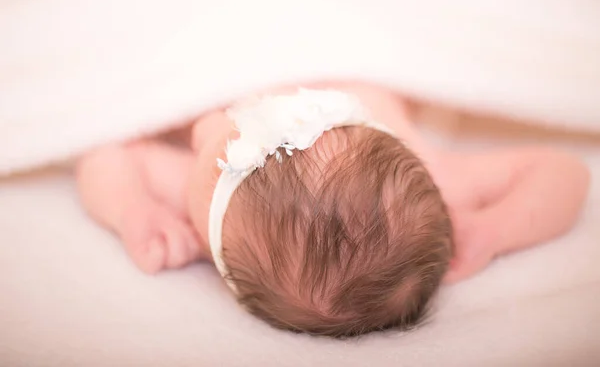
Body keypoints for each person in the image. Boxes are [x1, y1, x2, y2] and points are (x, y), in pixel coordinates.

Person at [76, 81, 590, 337]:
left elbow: (107, 155)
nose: (199, 126)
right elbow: (566, 173)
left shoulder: (209, 208)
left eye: (212, 137)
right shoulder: (443, 179)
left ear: (219, 259)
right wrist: (490, 231)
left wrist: (132, 211)